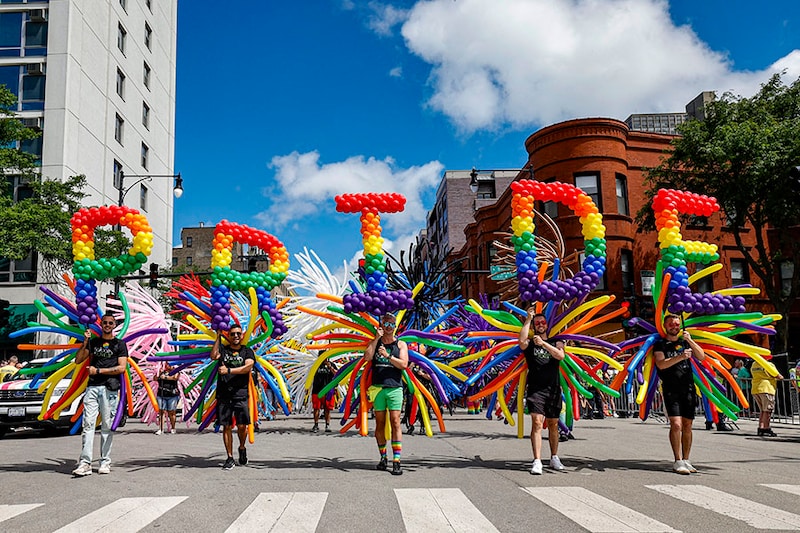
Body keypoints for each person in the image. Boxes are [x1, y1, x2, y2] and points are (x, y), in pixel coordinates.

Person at [72, 313, 129, 476]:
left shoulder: (120, 344)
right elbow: (78, 360)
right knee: (88, 425)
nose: (107, 325)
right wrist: (84, 342)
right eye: (105, 322)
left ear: (114, 325)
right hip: (92, 388)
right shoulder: (94, 342)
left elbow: (121, 368)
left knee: (107, 426)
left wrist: (99, 370)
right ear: (101, 324)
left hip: (109, 389)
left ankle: (105, 461)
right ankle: (85, 463)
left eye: (111, 323)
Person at [653, 314, 706, 475]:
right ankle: (677, 460)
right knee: (676, 424)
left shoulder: (685, 342)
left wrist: (690, 340)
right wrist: (681, 357)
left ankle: (686, 459)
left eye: (677, 324)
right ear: (665, 325)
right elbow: (661, 364)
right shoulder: (660, 344)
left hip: (688, 388)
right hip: (671, 388)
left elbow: (701, 356)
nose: (674, 327)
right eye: (671, 324)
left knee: (688, 425)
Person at [518, 309, 566, 475]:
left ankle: (554, 457)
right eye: (536, 323)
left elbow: (560, 356)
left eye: (542, 322)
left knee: (553, 424)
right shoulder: (530, 344)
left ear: (547, 325)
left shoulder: (556, 341)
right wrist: (528, 319)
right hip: (536, 389)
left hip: (553, 389)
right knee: (537, 423)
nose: (540, 325)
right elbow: (521, 341)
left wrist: (544, 344)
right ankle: (537, 460)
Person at [365, 312, 409, 476]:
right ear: (382, 325)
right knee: (380, 424)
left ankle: (396, 461)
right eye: (386, 323)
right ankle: (383, 458)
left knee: (396, 421)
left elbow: (404, 364)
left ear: (395, 325)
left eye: (392, 324)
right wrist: (376, 339)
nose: (389, 326)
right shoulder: (375, 343)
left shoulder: (401, 345)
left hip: (395, 388)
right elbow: (367, 357)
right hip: (378, 388)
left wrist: (388, 356)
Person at [210, 324, 255, 470]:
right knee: (227, 426)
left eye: (238, 334)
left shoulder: (247, 351)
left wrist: (229, 370)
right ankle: (229, 457)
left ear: (242, 336)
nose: (235, 336)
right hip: (224, 394)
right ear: (228, 336)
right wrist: (217, 337)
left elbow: (247, 368)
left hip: (241, 394)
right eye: (232, 334)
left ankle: (242, 447)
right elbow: (213, 356)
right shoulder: (223, 350)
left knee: (242, 426)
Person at [750, 360, 783, 437]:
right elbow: (778, 375)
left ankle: (761, 428)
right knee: (768, 411)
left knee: (763, 411)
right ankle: (766, 428)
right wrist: (780, 377)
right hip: (767, 388)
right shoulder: (768, 364)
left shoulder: (754, 364)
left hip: (756, 388)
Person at [311, 357, 336, 433]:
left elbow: (337, 374)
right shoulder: (315, 365)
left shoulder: (331, 364)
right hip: (317, 390)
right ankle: (316, 425)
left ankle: (327, 425)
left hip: (328, 390)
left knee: (327, 409)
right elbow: (310, 376)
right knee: (316, 408)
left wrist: (330, 367)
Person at [155, 362, 180, 435]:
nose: (169, 366)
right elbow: (155, 378)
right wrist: (159, 374)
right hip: (161, 394)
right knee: (161, 412)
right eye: (168, 364)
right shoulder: (161, 372)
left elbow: (175, 378)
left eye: (171, 364)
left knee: (171, 412)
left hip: (172, 395)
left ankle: (173, 427)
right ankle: (161, 429)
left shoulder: (176, 371)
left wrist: (165, 377)